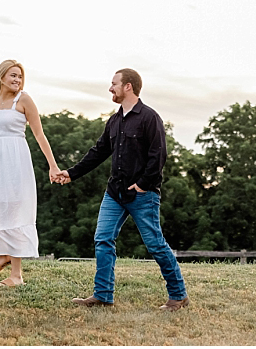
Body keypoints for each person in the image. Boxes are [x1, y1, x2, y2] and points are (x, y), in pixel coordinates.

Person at [52, 68, 189, 311]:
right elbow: (99, 152)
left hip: (142, 194)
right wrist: (71, 173)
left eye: (114, 83)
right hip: (114, 194)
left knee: (155, 244)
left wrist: (144, 184)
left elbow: (158, 155)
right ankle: (103, 295)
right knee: (103, 239)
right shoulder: (114, 121)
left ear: (128, 86)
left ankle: (178, 296)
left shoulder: (149, 117)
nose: (110, 88)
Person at [0, 59, 62, 287]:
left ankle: (16, 275)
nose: (17, 80)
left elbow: (39, 135)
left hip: (15, 160)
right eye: (13, 76)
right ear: (1, 77)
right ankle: (4, 254)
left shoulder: (24, 99)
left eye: (20, 76)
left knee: (14, 210)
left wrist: (53, 166)